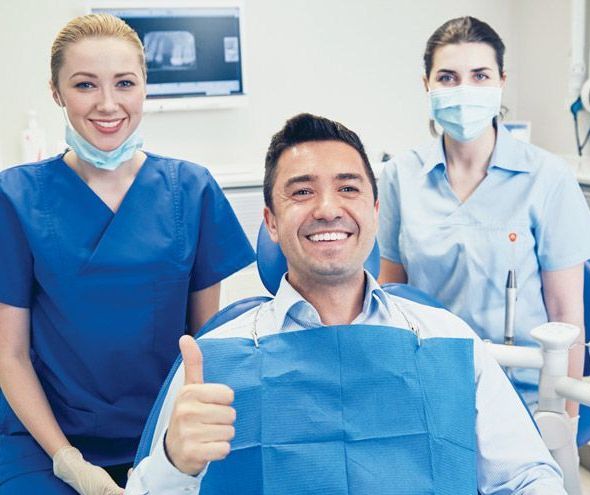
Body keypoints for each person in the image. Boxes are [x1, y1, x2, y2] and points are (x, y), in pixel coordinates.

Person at [125, 113, 567, 495]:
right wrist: (172, 462)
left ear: (375, 211)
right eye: (301, 192)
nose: (327, 208)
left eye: (348, 188)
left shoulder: (449, 341)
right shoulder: (214, 362)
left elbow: (528, 476)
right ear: (271, 223)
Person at [0, 13, 255, 495]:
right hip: (44, 440)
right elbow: (9, 354)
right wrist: (68, 462)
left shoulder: (191, 190)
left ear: (145, 88)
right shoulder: (15, 197)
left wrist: (173, 452)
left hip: (164, 432)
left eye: (124, 83)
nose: (107, 104)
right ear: (56, 93)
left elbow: (199, 347)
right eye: (84, 85)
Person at [377, 16, 590, 417]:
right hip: (431, 385)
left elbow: (567, 314)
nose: (463, 89)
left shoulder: (546, 177)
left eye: (479, 75)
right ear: (426, 84)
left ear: (501, 80)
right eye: (447, 77)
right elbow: (392, 294)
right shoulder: (400, 176)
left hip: (526, 391)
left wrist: (564, 418)